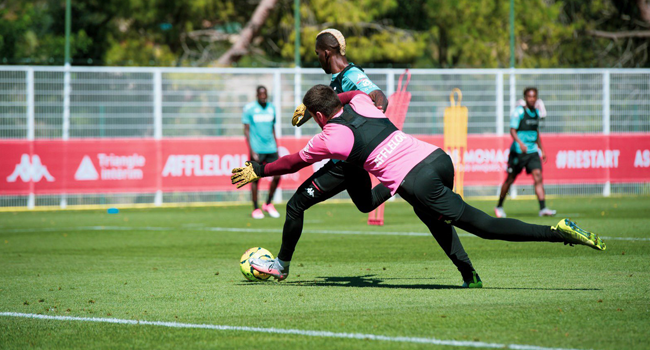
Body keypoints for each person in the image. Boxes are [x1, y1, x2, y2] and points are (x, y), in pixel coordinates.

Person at [231, 86, 606, 285]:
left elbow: (294, 161)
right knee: (431, 215)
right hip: (436, 158)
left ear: (316, 115)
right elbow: (346, 96)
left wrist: (258, 168)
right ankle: (468, 276)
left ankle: (557, 233)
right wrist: (325, 97)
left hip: (417, 179)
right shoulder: (362, 101)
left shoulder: (331, 138)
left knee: (483, 226)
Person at [495, 87, 556, 218]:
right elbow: (512, 130)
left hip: (532, 151)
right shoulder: (519, 112)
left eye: (534, 96)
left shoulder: (537, 113)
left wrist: (542, 149)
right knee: (510, 179)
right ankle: (499, 206)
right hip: (518, 152)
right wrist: (520, 143)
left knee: (538, 176)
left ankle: (543, 208)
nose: (532, 99)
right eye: (529, 96)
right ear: (525, 98)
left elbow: (536, 132)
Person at [242, 85, 281, 219]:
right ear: (257, 95)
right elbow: (246, 130)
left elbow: (273, 128)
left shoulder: (272, 108)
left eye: (265, 94)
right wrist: (251, 150)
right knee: (255, 178)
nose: (263, 96)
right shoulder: (250, 109)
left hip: (271, 148)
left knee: (278, 175)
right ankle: (256, 208)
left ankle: (268, 203)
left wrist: (276, 146)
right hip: (257, 149)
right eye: (261, 94)